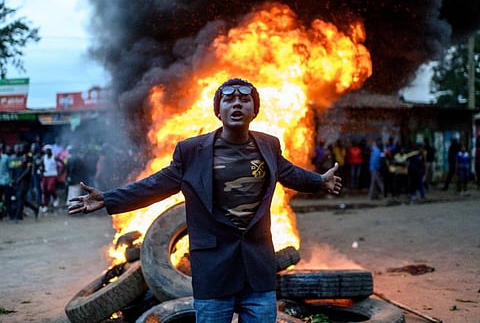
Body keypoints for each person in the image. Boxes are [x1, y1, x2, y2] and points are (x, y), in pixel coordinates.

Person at [69, 78, 342, 323]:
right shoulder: (191, 151)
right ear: (218, 110)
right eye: (229, 99)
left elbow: (289, 173)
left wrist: (320, 181)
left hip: (257, 275)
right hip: (214, 273)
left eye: (244, 99)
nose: (237, 104)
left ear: (254, 110)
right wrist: (108, 199)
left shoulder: (269, 145)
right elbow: (155, 185)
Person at [9, 143, 39, 222]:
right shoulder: (16, 158)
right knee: (21, 199)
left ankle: (17, 216)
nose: (19, 149)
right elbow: (14, 169)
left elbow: (28, 170)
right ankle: (34, 208)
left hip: (25, 181)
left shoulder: (28, 157)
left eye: (20, 148)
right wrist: (13, 179)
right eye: (18, 148)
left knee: (20, 197)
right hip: (17, 180)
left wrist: (19, 179)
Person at [40, 145, 62, 213]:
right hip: (45, 175)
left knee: (50, 188)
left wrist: (60, 172)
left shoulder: (54, 157)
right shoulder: (44, 157)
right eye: (46, 150)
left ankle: (56, 198)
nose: (47, 151)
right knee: (44, 190)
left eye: (48, 150)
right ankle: (46, 205)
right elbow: (42, 165)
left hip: (53, 175)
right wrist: (42, 169)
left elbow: (62, 163)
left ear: (51, 151)